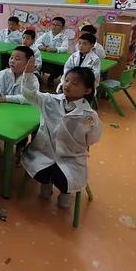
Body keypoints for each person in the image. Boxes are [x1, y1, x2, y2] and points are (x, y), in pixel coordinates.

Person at [21, 59, 102, 209]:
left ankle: (65, 193)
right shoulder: (51, 100)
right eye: (66, 80)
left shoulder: (89, 116)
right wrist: (27, 75)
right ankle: (46, 184)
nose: (67, 85)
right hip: (44, 151)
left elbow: (93, 138)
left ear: (87, 90)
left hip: (71, 158)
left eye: (74, 84)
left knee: (65, 179)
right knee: (41, 170)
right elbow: (30, 95)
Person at [0, 46, 39, 160]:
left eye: (18, 59)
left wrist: (5, 98)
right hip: (2, 111)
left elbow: (28, 98)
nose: (12, 61)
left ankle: (21, 149)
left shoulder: (32, 79)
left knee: (21, 130)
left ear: (28, 63)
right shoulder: (3, 73)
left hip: (21, 115)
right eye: (11, 57)